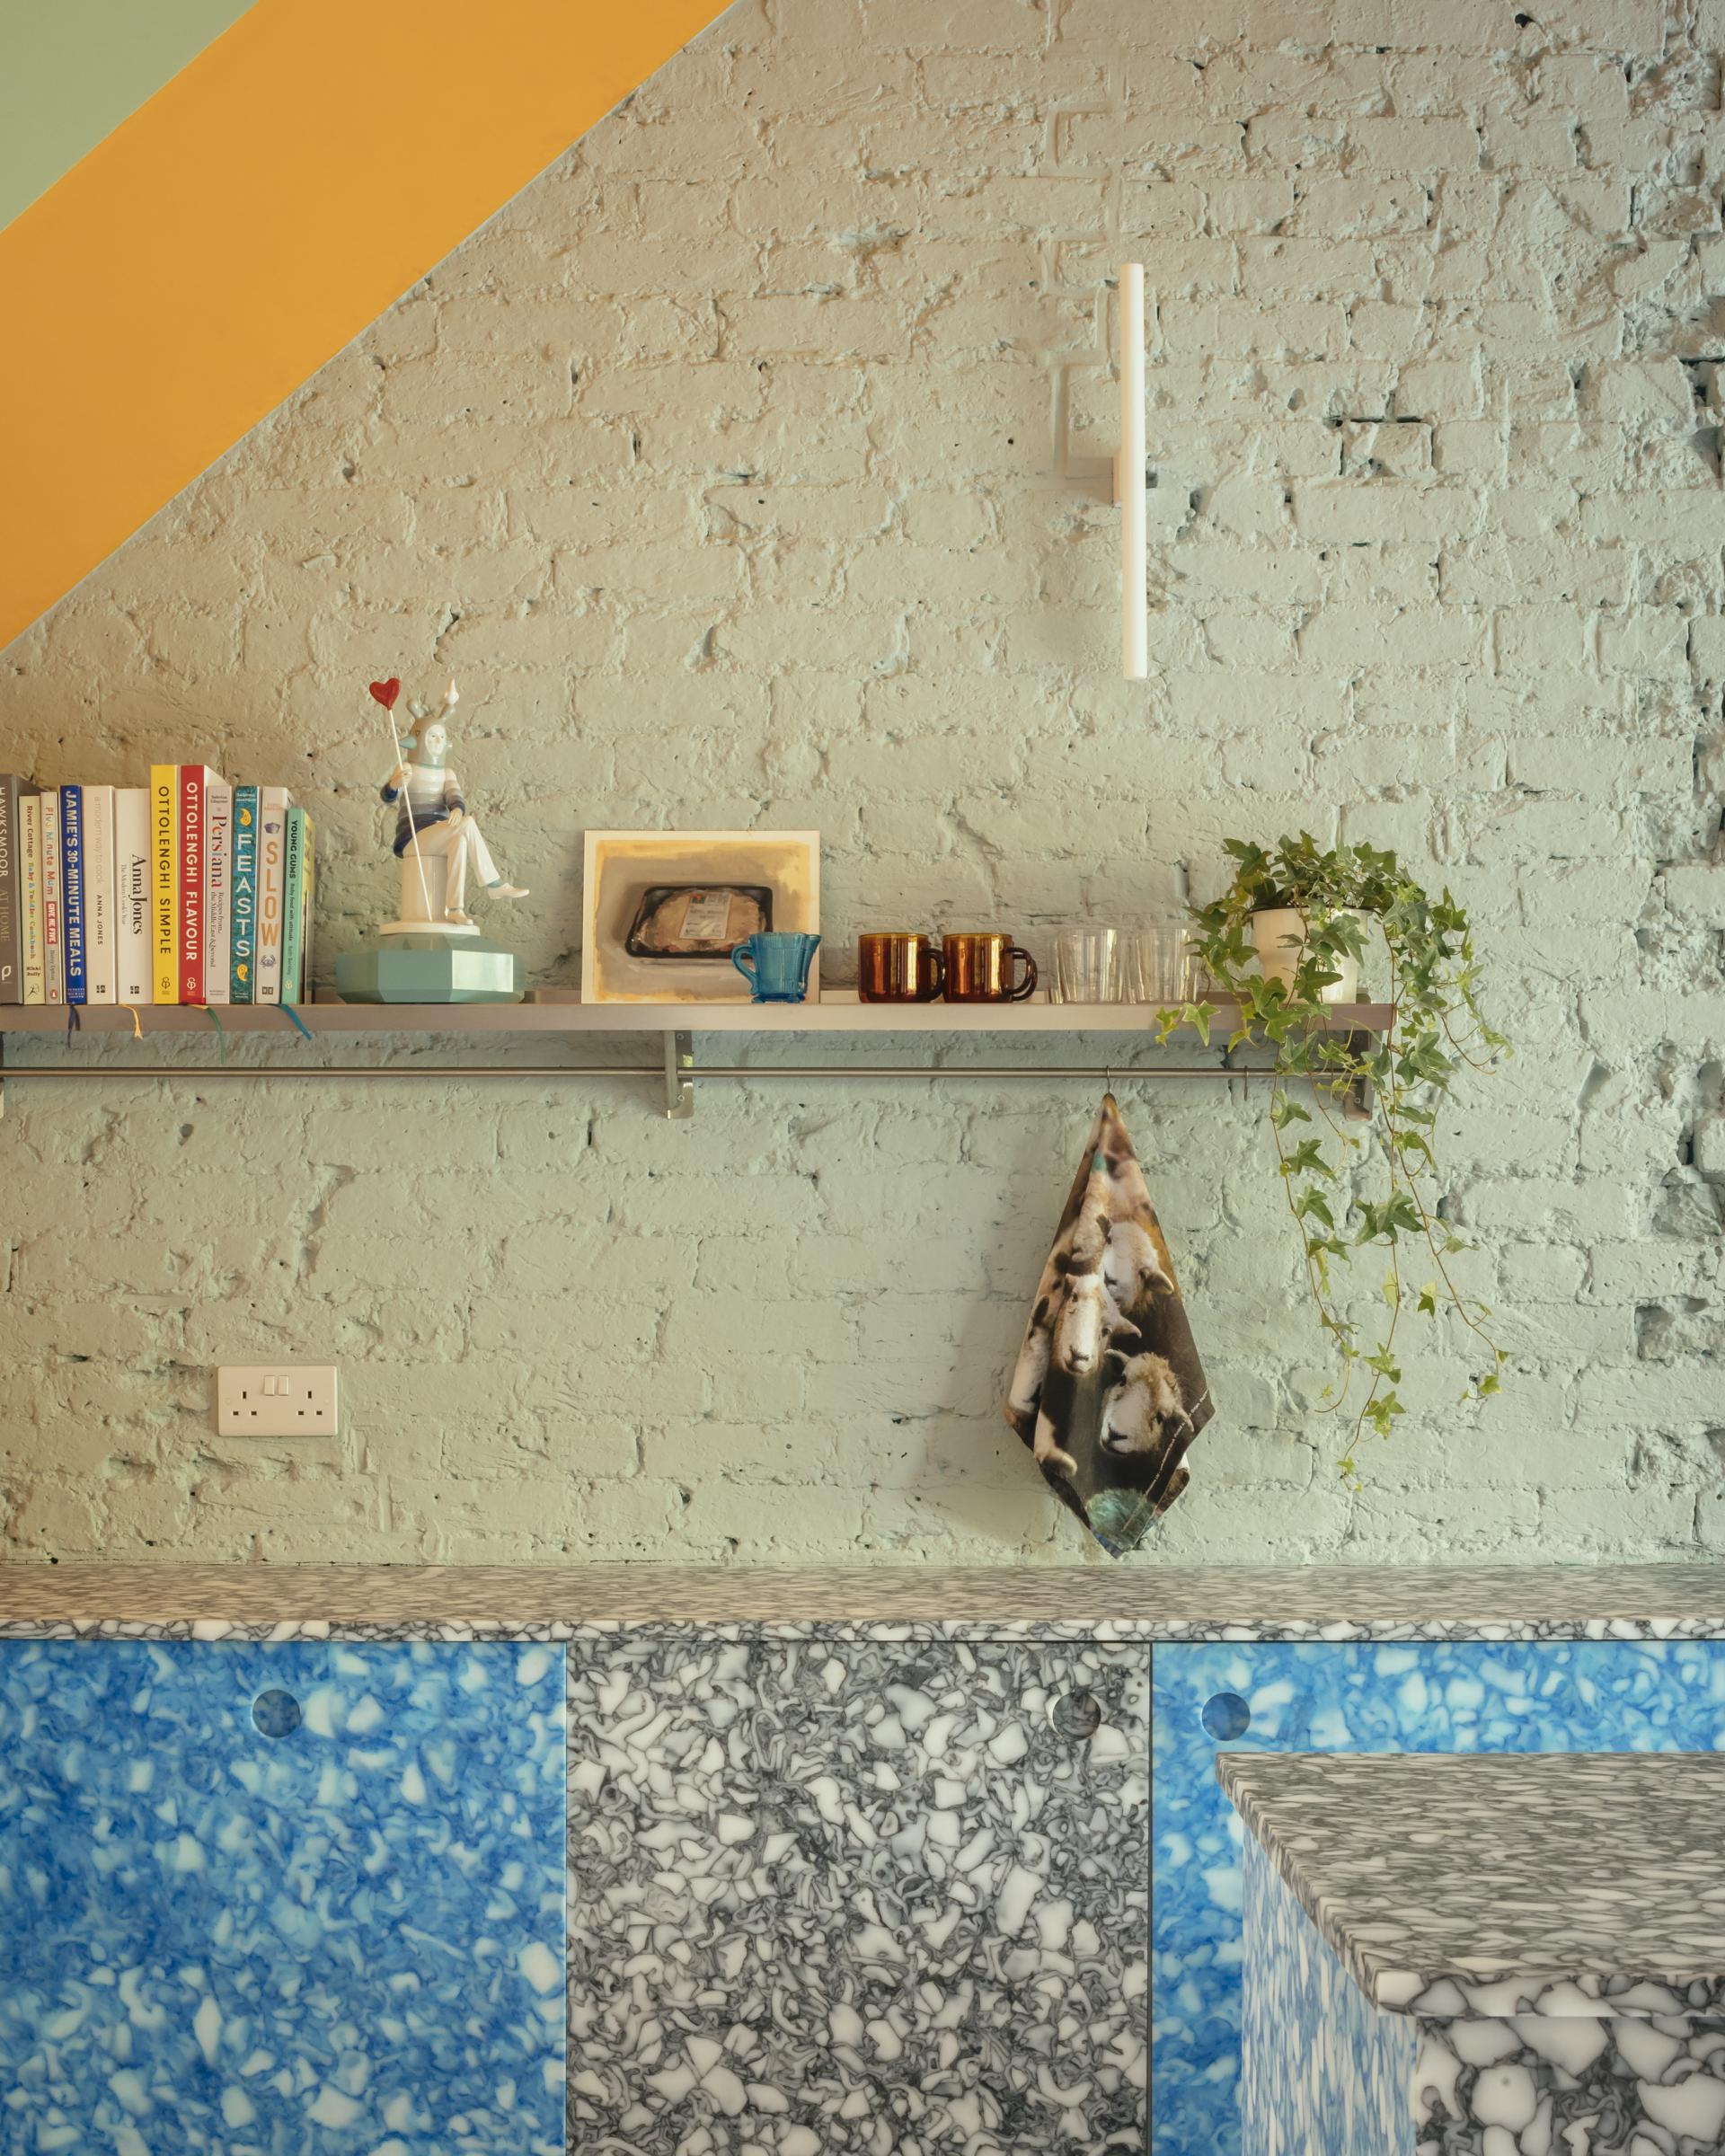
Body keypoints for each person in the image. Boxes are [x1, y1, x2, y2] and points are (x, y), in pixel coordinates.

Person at [380, 694, 526, 925]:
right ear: (418, 739)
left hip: (440, 832)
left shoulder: (447, 774)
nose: (437, 741)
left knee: (460, 842)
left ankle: (456, 909)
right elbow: (388, 797)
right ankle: (494, 884)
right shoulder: (407, 767)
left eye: (441, 736)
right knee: (467, 824)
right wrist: (395, 784)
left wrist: (457, 808)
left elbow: (454, 795)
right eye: (432, 736)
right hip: (413, 839)